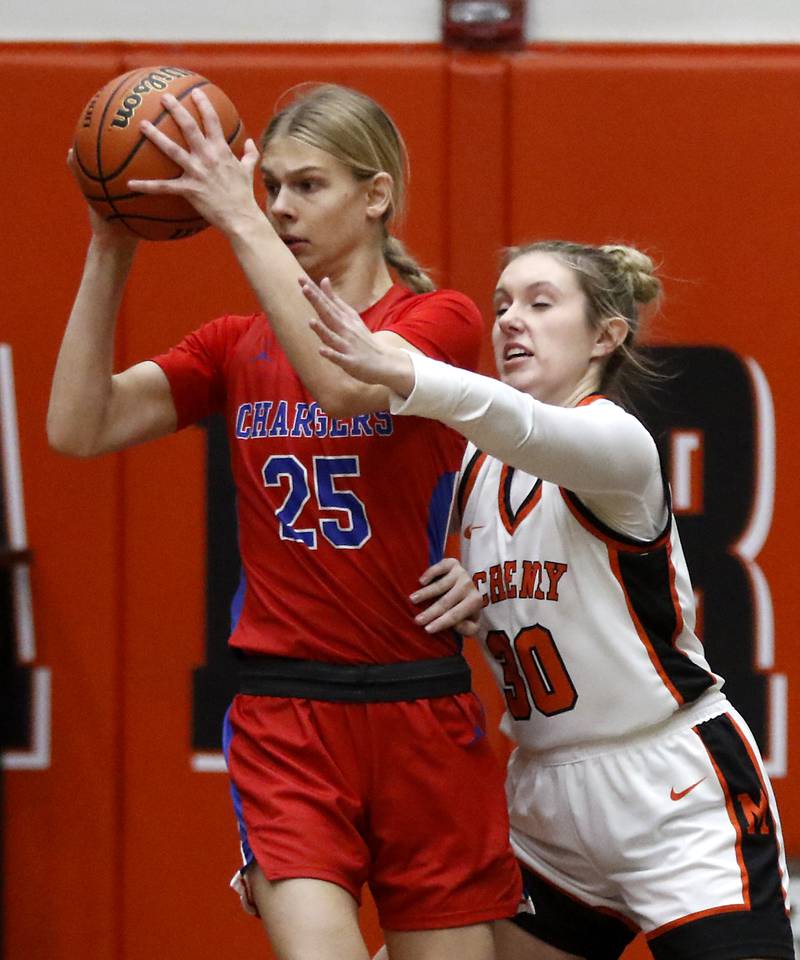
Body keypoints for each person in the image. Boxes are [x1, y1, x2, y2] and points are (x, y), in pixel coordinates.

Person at [47, 83, 521, 960]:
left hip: (421, 706)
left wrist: (241, 225)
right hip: (288, 713)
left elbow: (347, 387)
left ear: (376, 196)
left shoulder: (439, 320)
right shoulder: (234, 342)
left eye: (308, 186)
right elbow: (79, 427)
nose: (279, 206)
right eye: (269, 186)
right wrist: (109, 250)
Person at [301, 239, 795, 960]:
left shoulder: (616, 443)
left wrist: (411, 371)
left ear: (605, 336)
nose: (509, 321)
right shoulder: (472, 467)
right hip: (545, 797)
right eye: (500, 304)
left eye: (539, 303)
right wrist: (477, 603)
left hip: (670, 787)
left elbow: (523, 427)